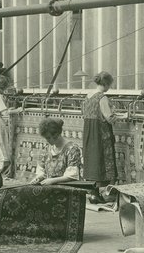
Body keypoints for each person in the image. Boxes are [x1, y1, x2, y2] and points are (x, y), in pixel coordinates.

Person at [81, 71, 118, 202]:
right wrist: (118, 116)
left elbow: (84, 112)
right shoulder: (102, 98)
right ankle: (102, 194)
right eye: (110, 85)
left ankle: (93, 193)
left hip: (89, 131)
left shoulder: (88, 96)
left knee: (92, 159)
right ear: (106, 84)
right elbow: (109, 118)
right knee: (101, 160)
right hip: (100, 133)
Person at [31, 118, 83, 185]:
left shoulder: (72, 149)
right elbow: (42, 170)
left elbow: (72, 176)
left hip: (68, 188)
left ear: (56, 135)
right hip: (51, 187)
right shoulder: (46, 149)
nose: (47, 140)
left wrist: (52, 181)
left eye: (48, 138)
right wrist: (38, 178)